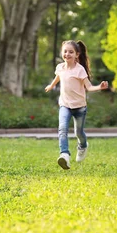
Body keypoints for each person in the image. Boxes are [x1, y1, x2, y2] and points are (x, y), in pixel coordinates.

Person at [45, 40, 109, 170]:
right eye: (65, 51)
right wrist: (51, 85)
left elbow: (89, 87)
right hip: (65, 105)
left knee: (78, 132)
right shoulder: (60, 67)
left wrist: (99, 87)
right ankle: (64, 155)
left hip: (79, 107)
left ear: (77, 54)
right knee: (62, 129)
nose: (67, 54)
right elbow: (58, 77)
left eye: (71, 52)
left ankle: (83, 146)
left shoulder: (80, 70)